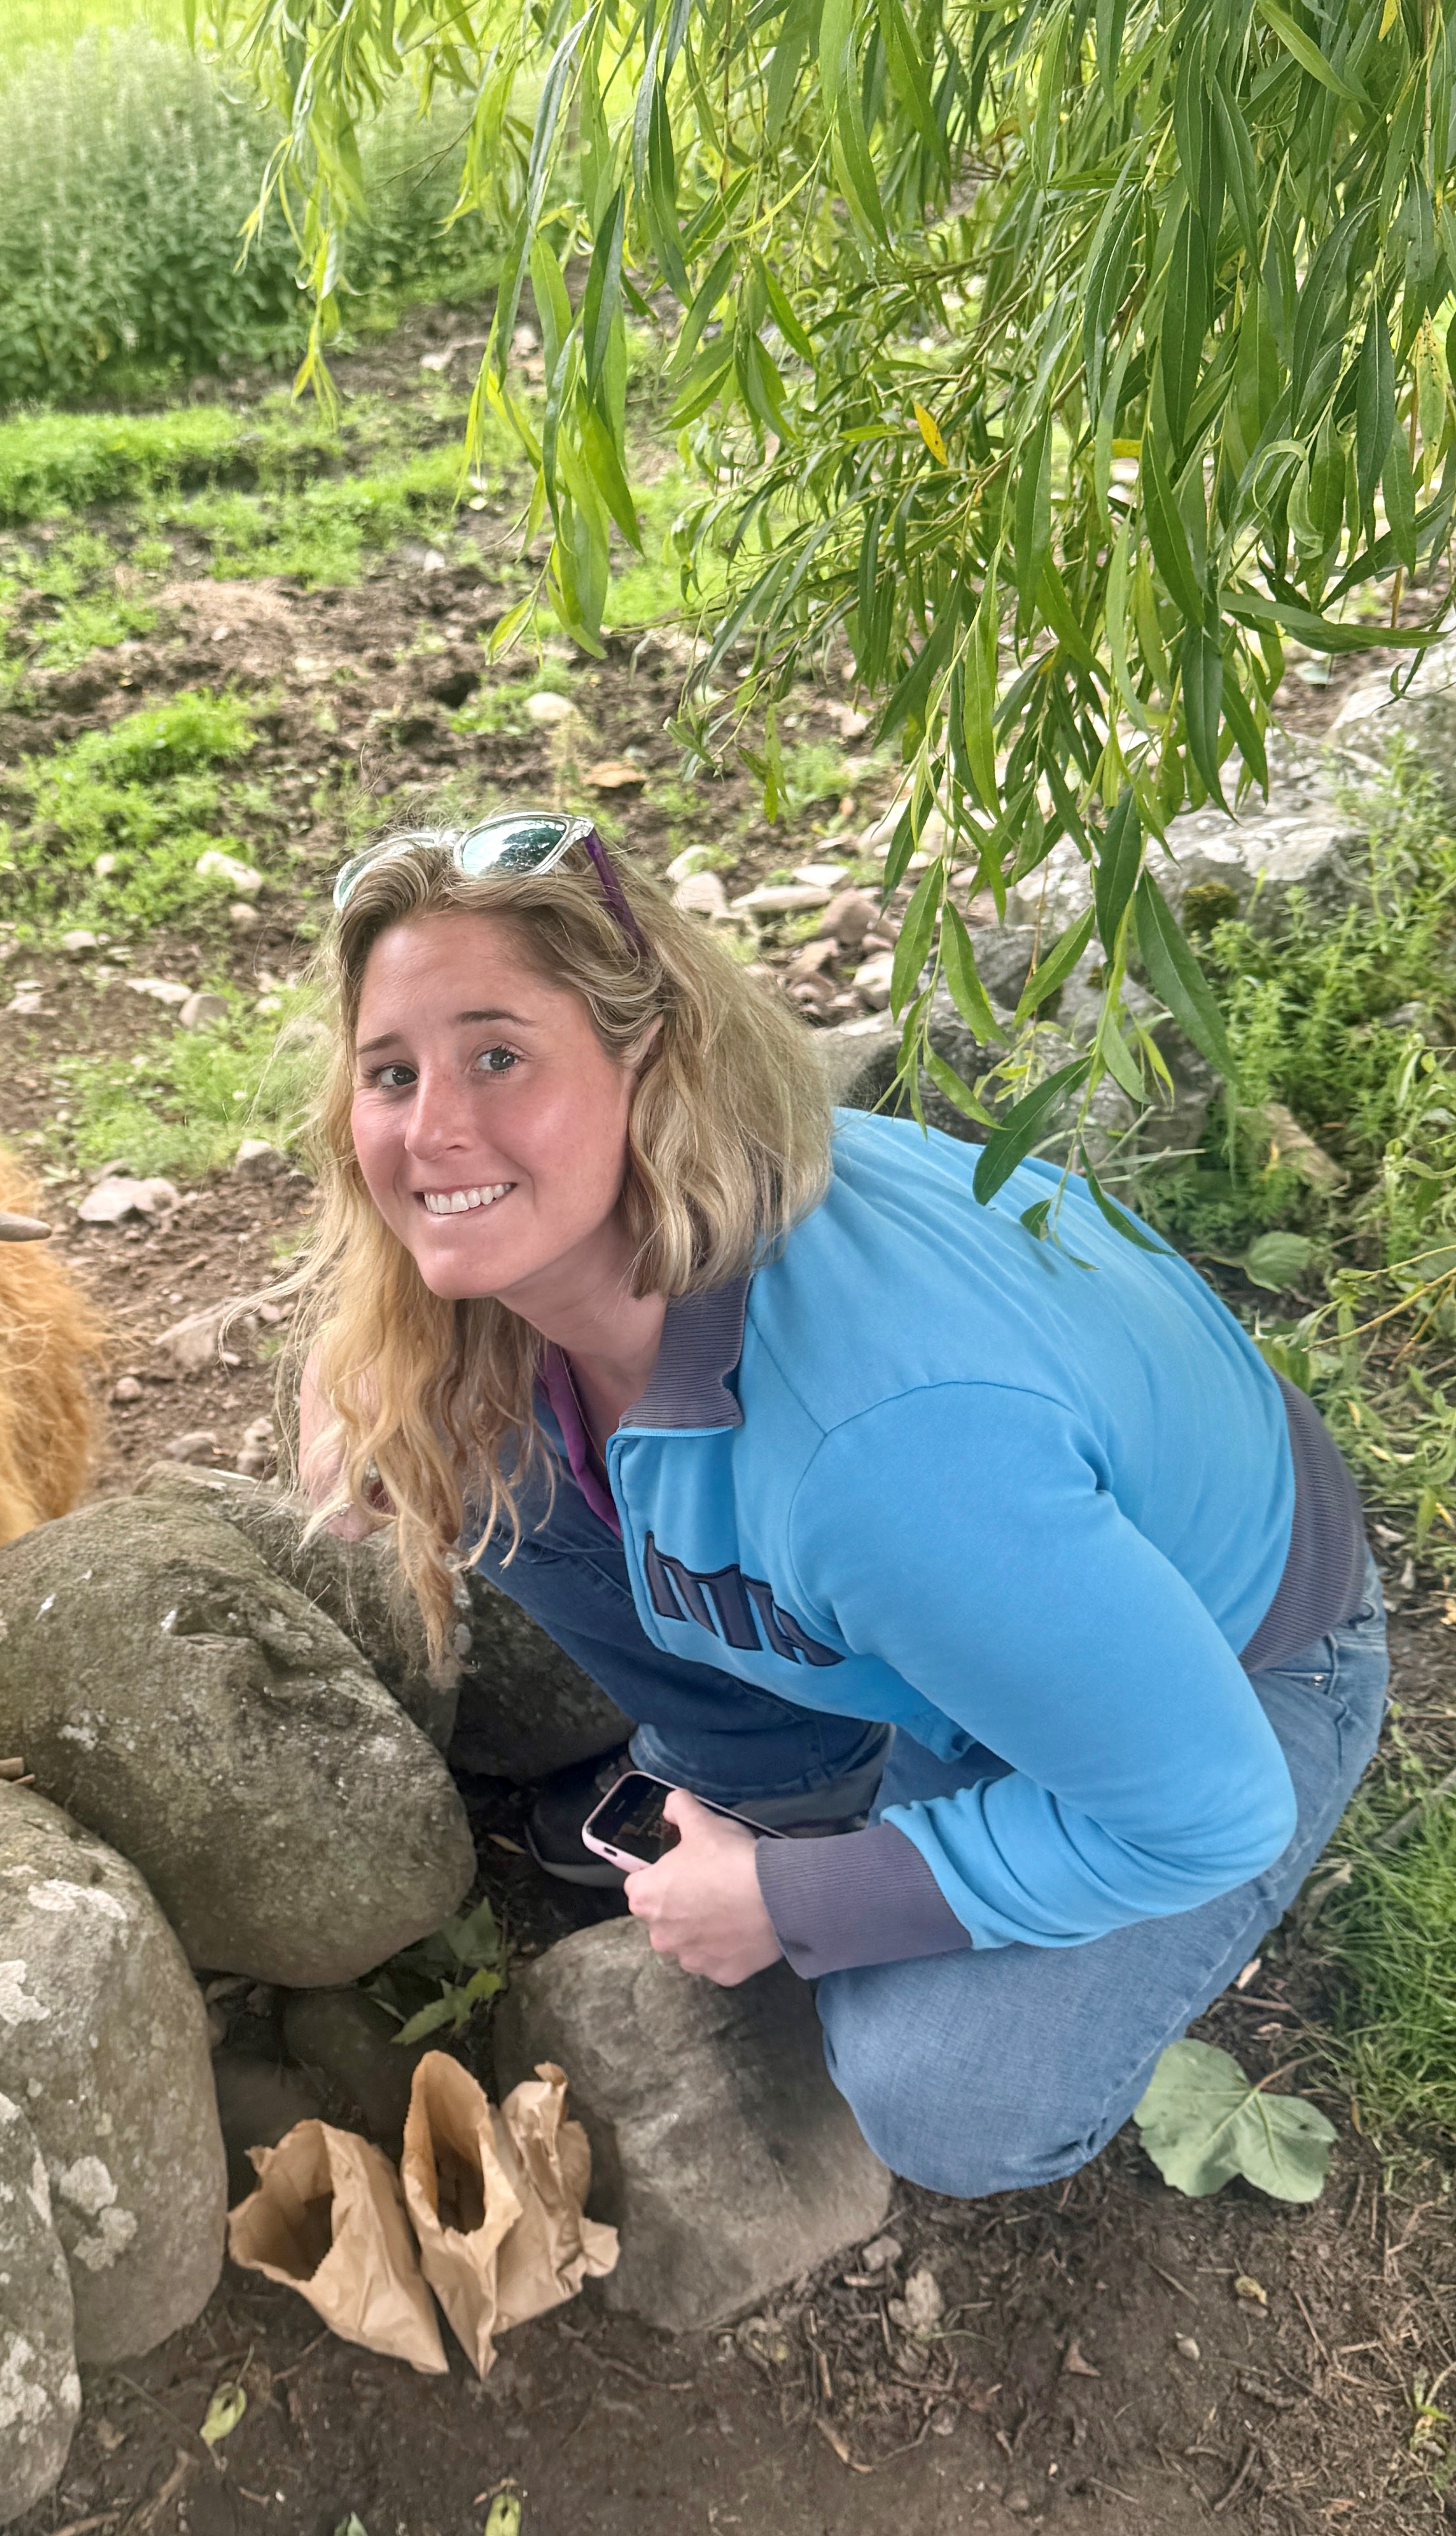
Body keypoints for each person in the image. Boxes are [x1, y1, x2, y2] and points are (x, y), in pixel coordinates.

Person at [293, 813, 1386, 2199]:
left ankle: (829, 1815)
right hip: (1008, 1567)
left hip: (1240, 1664)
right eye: (391, 1072)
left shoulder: (880, 1460)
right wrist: (374, 1362)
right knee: (451, 1422)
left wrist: (785, 1904)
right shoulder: (668, 1212)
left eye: (498, 1056)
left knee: (941, 2097)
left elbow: (1207, 1811)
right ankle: (778, 1767)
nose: (432, 1127)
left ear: (651, 1055)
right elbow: (429, 1244)